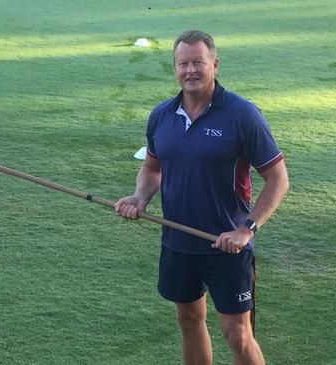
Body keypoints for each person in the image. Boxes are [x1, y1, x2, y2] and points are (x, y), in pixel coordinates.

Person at [115, 30, 289, 365]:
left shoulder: (242, 115)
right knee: (189, 320)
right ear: (175, 67)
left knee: (238, 334)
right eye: (183, 64)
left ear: (215, 65)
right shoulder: (161, 116)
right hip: (178, 242)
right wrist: (140, 198)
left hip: (226, 244)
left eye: (198, 62)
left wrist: (247, 228)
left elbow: (278, 178)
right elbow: (153, 167)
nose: (190, 70)